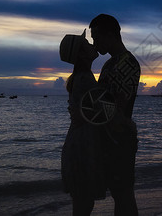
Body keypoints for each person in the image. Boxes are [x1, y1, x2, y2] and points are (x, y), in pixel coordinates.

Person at [90, 14, 141, 216]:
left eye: (96, 37)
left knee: (123, 194)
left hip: (119, 138)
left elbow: (116, 107)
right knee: (120, 193)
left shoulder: (127, 63)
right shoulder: (111, 64)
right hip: (112, 138)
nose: (95, 43)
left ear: (110, 34)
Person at [60, 30, 106, 216]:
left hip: (78, 142)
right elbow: (101, 111)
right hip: (82, 146)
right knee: (84, 204)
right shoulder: (85, 78)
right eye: (85, 43)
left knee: (82, 203)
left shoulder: (81, 77)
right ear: (81, 53)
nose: (91, 44)